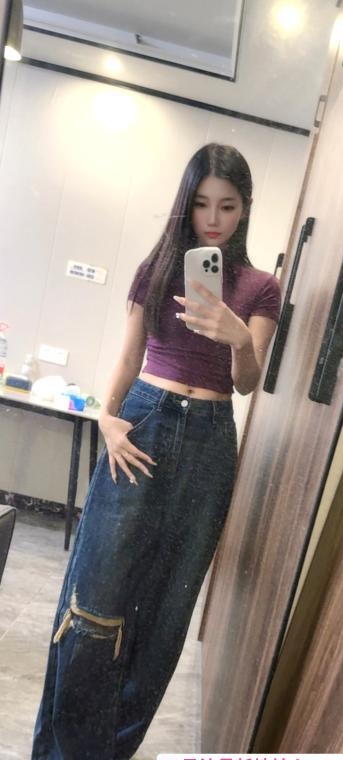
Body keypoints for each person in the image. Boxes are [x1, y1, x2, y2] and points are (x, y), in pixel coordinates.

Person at [31, 143, 281, 760]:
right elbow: (127, 357)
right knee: (96, 595)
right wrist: (106, 421)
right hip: (142, 423)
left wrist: (236, 339)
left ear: (246, 207)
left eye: (228, 206)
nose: (213, 219)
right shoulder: (158, 270)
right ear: (185, 203)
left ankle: (113, 751)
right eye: (202, 204)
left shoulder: (261, 289)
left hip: (210, 443)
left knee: (168, 614)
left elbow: (247, 382)